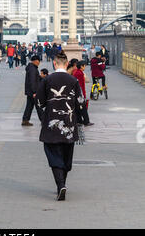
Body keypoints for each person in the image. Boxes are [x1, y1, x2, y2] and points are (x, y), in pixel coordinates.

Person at [36, 52, 84, 201]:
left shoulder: (47, 80)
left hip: (52, 125)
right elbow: (80, 102)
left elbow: (39, 102)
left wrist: (44, 118)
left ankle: (60, 185)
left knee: (53, 153)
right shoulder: (73, 80)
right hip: (69, 126)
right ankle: (63, 183)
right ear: (67, 63)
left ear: (54, 63)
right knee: (66, 156)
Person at [22, 55, 43, 126]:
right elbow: (32, 81)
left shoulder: (31, 68)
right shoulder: (33, 69)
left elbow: (35, 78)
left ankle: (25, 120)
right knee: (39, 106)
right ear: (35, 61)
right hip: (33, 91)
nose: (39, 63)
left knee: (29, 106)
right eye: (38, 61)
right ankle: (43, 120)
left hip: (30, 91)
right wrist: (34, 91)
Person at [73, 61, 94, 127]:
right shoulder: (80, 73)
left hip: (76, 92)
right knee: (83, 108)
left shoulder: (76, 72)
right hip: (79, 92)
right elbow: (81, 85)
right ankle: (86, 121)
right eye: (84, 66)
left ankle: (79, 121)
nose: (85, 67)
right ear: (81, 66)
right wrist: (83, 94)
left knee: (78, 108)